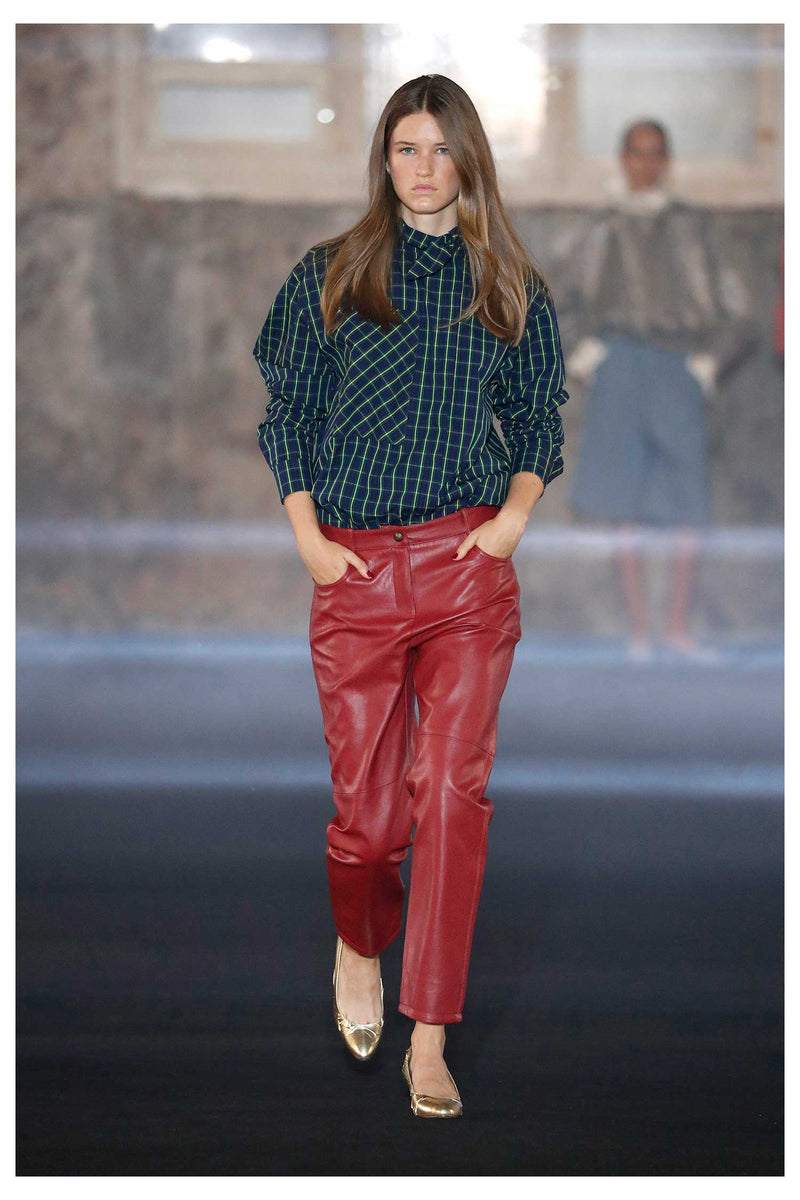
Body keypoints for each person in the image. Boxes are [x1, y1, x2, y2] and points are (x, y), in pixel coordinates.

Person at [252, 74, 569, 1118]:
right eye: (405, 148)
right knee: (369, 819)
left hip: (464, 568)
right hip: (353, 568)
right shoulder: (333, 274)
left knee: (453, 797)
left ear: (468, 159)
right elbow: (289, 410)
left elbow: (538, 417)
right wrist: (307, 537)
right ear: (382, 160)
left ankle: (429, 1035)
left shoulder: (506, 282)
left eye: (440, 148)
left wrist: (511, 519)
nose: (423, 167)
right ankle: (359, 944)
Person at [561, 119, 754, 660]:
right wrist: (585, 352)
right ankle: (640, 632)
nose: (645, 164)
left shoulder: (694, 226)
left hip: (676, 366)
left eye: (655, 153)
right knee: (623, 499)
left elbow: (735, 302)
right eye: (637, 153)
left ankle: (677, 628)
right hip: (619, 365)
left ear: (666, 160)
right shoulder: (600, 226)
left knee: (687, 502)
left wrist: (710, 360)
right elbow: (562, 297)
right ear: (622, 158)